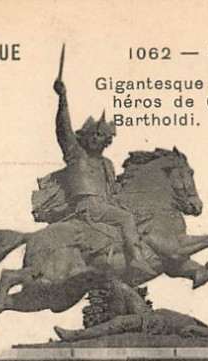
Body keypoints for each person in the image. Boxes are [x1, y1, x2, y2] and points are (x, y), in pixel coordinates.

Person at [45, 78, 147, 273]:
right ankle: (136, 259)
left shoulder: (107, 165)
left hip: (104, 206)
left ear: (107, 141)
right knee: (126, 219)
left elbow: (113, 191)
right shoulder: (76, 154)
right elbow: (63, 129)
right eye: (92, 134)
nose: (95, 138)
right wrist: (63, 99)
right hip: (87, 207)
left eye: (100, 136)